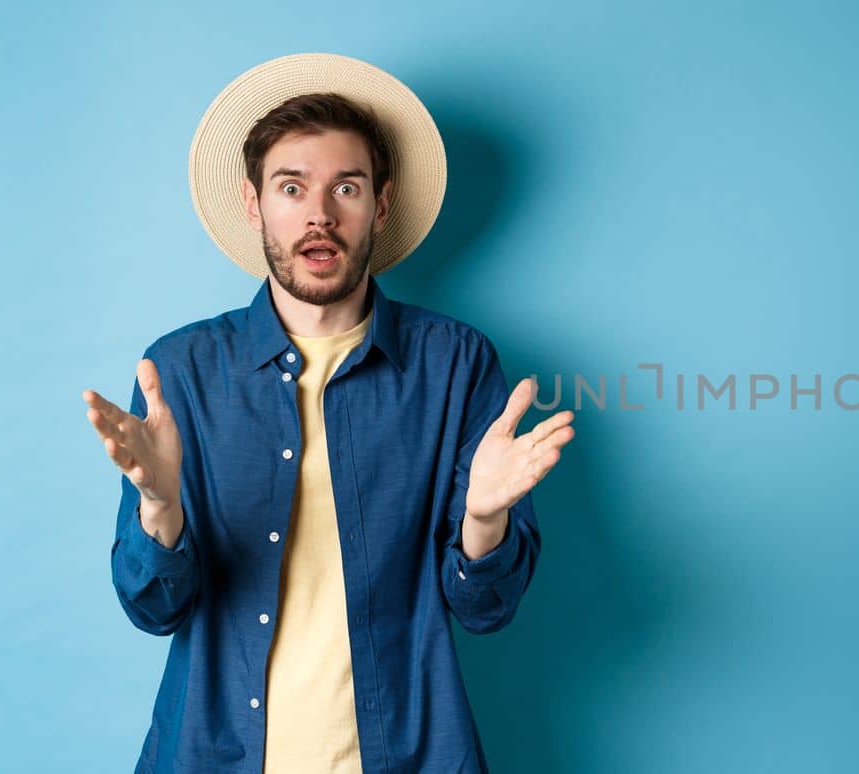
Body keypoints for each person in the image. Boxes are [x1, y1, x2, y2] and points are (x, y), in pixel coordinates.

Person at [79, 53, 574, 773]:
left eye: (346, 186)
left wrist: (484, 521)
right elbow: (154, 609)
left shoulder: (455, 364)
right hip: (215, 754)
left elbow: (485, 610)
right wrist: (159, 506)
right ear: (255, 205)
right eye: (291, 187)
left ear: (380, 203)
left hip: (409, 755)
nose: (319, 214)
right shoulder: (181, 371)